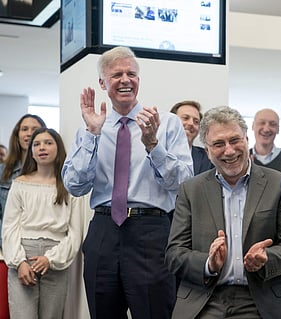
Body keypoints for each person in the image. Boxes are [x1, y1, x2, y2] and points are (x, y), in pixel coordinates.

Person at [62, 46, 193, 319]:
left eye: (131, 74)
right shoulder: (90, 127)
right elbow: (74, 185)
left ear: (139, 80)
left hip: (151, 233)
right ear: (102, 83)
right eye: (117, 74)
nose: (125, 80)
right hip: (103, 231)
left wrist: (153, 145)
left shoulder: (166, 124)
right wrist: (92, 135)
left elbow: (183, 184)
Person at [165, 106, 281, 319]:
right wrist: (208, 264)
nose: (229, 150)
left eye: (235, 140)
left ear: (247, 140)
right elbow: (174, 254)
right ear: (207, 151)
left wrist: (267, 258)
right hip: (205, 300)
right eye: (218, 144)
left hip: (261, 300)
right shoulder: (191, 190)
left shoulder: (278, 184)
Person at [2, 128, 83, 318]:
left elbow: (75, 233)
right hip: (23, 257)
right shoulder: (20, 183)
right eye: (36, 144)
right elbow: (9, 227)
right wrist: (19, 262)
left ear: (58, 148)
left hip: (55, 259)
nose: (42, 148)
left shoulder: (69, 186)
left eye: (48, 143)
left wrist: (51, 259)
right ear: (31, 152)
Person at [0, 114, 46, 319]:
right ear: (17, 135)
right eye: (24, 129)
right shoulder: (3, 172)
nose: (29, 133)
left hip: (42, 254)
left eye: (34, 128)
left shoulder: (50, 173)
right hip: (7, 252)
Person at [170, 100, 214, 175]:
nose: (191, 123)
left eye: (196, 121)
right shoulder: (156, 151)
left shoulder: (208, 157)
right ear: (171, 121)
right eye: (186, 118)